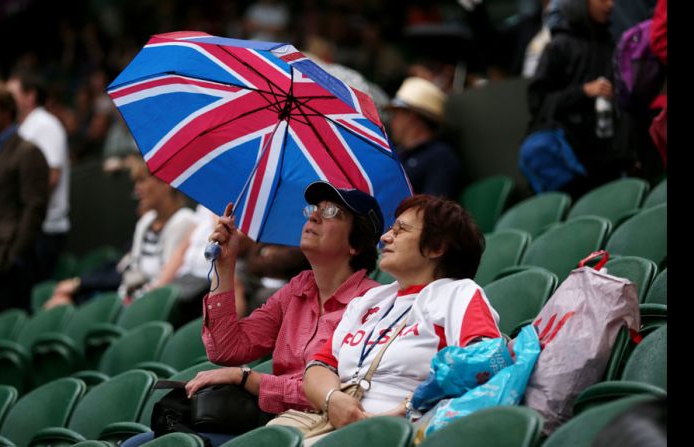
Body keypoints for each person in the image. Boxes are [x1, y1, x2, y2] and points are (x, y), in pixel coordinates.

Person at [120, 181, 385, 447]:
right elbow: (226, 349)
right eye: (314, 209)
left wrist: (247, 378)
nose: (314, 215)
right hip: (266, 423)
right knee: (136, 443)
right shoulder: (297, 289)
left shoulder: (371, 304)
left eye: (331, 213)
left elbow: (335, 396)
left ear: (356, 244)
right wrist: (225, 268)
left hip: (310, 432)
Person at [299, 194, 501, 442]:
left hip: (399, 432)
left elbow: (484, 363)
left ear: (436, 247)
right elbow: (319, 366)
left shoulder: (458, 293)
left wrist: (407, 410)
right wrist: (332, 399)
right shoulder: (369, 300)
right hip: (327, 422)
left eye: (401, 230)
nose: (385, 238)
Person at [44, 157, 195, 307]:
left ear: (166, 183)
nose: (137, 188)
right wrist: (122, 299)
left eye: (142, 180)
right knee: (60, 302)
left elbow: (164, 281)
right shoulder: (146, 221)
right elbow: (132, 271)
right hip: (128, 299)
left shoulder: (184, 220)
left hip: (151, 305)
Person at [527, 0, 629, 198]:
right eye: (601, 0)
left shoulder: (611, 43)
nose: (610, 5)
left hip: (609, 153)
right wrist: (583, 92)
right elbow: (538, 102)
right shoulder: (558, 46)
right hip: (572, 158)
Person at [7, 71, 71, 282]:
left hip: (45, 229)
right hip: (30, 228)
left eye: (12, 94)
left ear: (30, 96)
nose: (6, 99)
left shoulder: (45, 124)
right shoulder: (22, 127)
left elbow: (52, 175)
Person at [0, 82, 51, 313]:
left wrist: (15, 256)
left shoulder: (28, 151)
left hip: (9, 260)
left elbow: (35, 207)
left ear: (5, 111)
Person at [388, 77, 463, 199]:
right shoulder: (400, 153)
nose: (392, 121)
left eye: (396, 114)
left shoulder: (441, 158)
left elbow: (432, 211)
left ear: (411, 117)